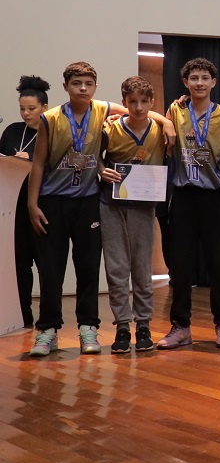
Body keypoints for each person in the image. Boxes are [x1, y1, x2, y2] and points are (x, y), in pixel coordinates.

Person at [27, 62, 174, 356]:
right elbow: (39, 162)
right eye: (76, 83)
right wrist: (32, 203)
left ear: (95, 87)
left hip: (88, 201)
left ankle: (88, 327)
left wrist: (168, 123)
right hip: (53, 201)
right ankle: (47, 330)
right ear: (65, 86)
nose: (82, 88)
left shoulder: (101, 110)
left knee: (88, 268)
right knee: (51, 269)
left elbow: (141, 109)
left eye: (88, 84)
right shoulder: (50, 118)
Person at [158, 58, 220, 349]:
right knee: (180, 266)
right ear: (185, 83)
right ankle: (180, 326)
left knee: (219, 263)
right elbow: (157, 126)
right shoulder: (175, 111)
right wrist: (165, 119)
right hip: (184, 196)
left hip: (216, 197)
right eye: (194, 78)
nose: (200, 83)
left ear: (214, 83)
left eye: (205, 78)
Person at [98, 76, 164, 353]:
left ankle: (145, 324)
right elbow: (95, 157)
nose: (138, 107)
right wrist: (101, 169)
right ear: (123, 103)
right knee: (116, 267)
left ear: (152, 102)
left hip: (143, 205)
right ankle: (123, 326)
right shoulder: (109, 129)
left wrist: (169, 122)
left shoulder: (161, 130)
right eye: (132, 102)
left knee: (141, 267)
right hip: (111, 204)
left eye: (143, 102)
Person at [0, 75, 50, 328]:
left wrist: (28, 162)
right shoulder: (11, 131)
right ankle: (23, 315)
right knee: (19, 265)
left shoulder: (51, 132)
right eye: (22, 108)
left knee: (45, 263)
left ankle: (48, 317)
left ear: (45, 108)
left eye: (31, 109)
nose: (26, 114)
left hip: (42, 206)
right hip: (14, 208)